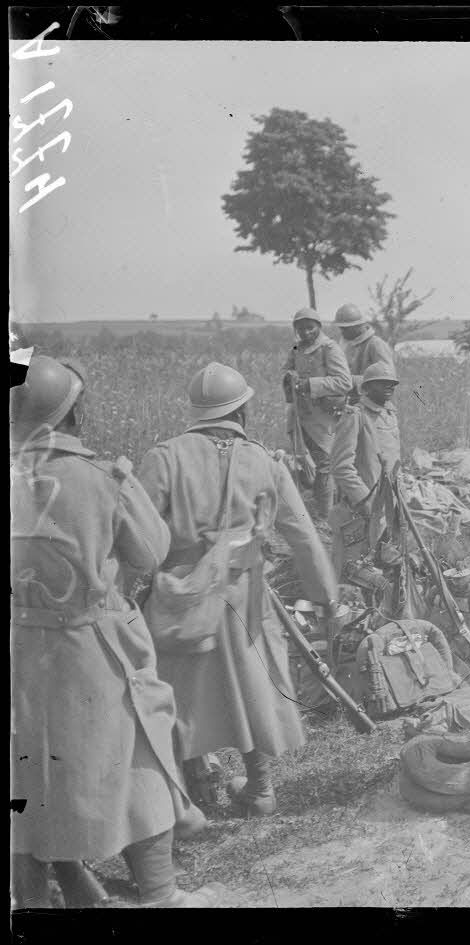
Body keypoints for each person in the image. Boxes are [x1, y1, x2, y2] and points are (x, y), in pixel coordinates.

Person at [11, 357, 215, 908]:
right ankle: (160, 892)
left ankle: (44, 894)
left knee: (30, 774)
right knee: (138, 760)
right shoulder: (104, 477)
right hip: (94, 647)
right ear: (72, 411)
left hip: (22, 649)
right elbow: (151, 552)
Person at [138, 363, 341, 817]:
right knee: (251, 686)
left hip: (182, 596)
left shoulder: (165, 457)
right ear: (243, 411)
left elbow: (139, 539)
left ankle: (197, 784)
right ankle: (260, 785)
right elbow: (303, 534)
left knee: (182, 691)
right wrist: (326, 596)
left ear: (197, 412)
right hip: (246, 596)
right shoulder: (266, 461)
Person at [329, 361, 403, 580]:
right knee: (355, 569)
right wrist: (365, 500)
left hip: (390, 504)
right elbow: (341, 465)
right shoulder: (355, 415)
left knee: (388, 564)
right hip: (364, 506)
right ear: (367, 388)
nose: (389, 387)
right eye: (382, 383)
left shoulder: (390, 414)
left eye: (392, 383)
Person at [283, 307, 353, 519]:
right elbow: (287, 370)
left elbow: (344, 382)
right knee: (305, 462)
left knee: (325, 464)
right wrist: (289, 378)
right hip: (300, 415)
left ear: (319, 327)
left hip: (324, 417)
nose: (305, 333)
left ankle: (325, 515)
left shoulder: (329, 349)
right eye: (301, 328)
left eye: (310, 328)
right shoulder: (296, 348)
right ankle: (315, 506)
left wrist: (310, 384)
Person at [335, 302, 396, 406]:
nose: (342, 332)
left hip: (373, 405)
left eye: (346, 328)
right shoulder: (346, 344)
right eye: (341, 328)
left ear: (359, 325)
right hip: (351, 404)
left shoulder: (376, 344)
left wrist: (349, 380)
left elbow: (388, 379)